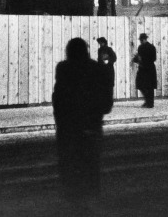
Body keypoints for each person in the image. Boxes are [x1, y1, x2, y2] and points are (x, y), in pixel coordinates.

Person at [52, 37, 113, 209]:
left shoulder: (63, 69)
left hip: (68, 130)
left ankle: (73, 205)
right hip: (90, 128)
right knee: (90, 169)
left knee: (70, 170)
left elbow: (58, 100)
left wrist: (61, 123)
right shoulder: (99, 70)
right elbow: (106, 105)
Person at [132, 33, 157, 108]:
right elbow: (138, 57)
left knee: (149, 86)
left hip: (149, 69)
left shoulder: (151, 47)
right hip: (142, 68)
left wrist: (142, 59)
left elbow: (153, 58)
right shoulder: (140, 47)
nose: (141, 41)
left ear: (145, 39)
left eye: (142, 40)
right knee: (140, 85)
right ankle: (147, 100)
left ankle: (150, 103)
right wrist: (135, 59)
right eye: (140, 40)